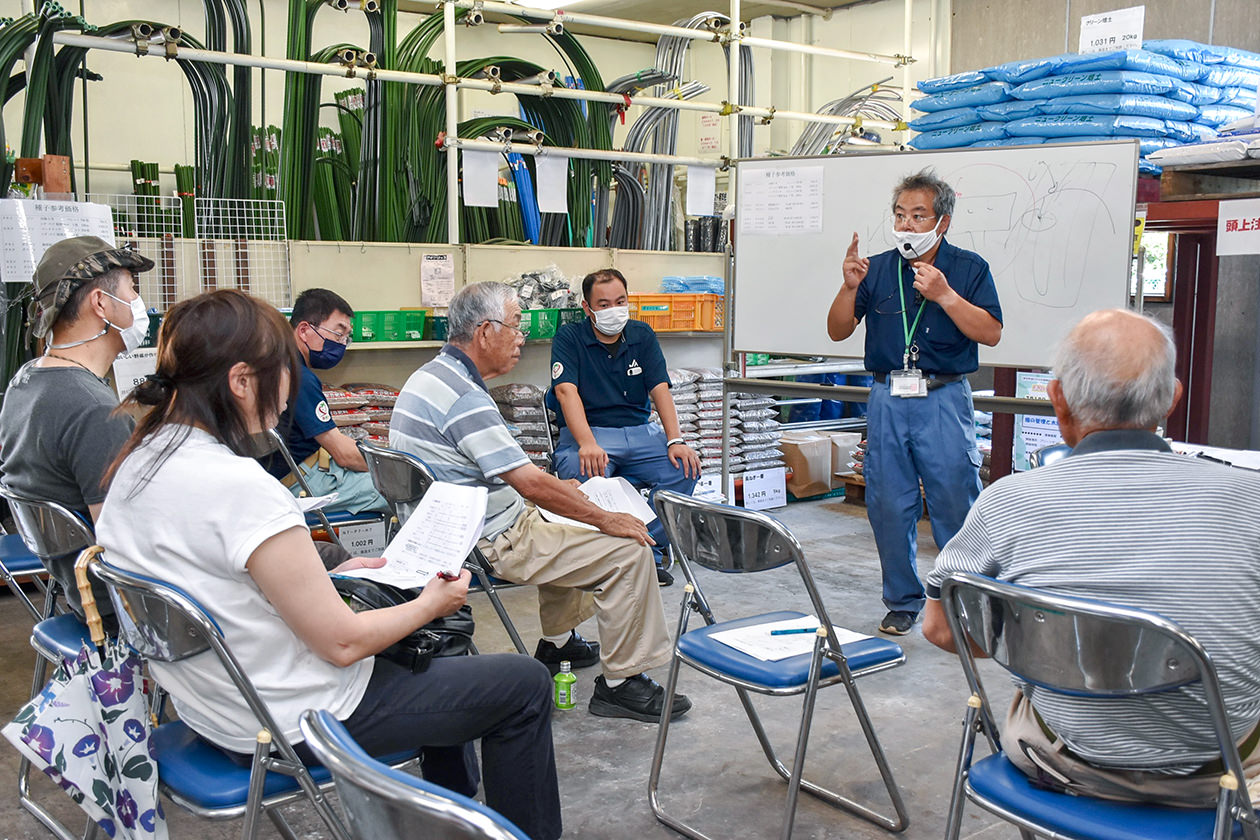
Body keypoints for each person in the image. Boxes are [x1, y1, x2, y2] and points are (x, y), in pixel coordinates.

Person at [96, 290, 561, 839]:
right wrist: (433, 601)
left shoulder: (136, 461)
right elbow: (342, 644)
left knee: (427, 643)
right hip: (290, 717)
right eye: (284, 371)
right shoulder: (240, 486)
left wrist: (331, 575)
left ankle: (447, 810)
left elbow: (220, 579)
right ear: (242, 381)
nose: (290, 388)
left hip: (208, 702)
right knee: (522, 682)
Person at [922, 309, 1260, 806]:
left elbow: (940, 627)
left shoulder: (1007, 503)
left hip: (1065, 764)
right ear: (1172, 399)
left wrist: (1050, 646)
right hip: (1224, 776)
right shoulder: (1251, 499)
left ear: (1057, 400)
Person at [390, 281, 692, 723]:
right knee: (630, 548)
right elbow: (528, 483)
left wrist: (564, 496)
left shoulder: (430, 376)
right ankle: (622, 684)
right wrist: (606, 518)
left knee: (567, 512)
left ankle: (557, 642)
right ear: (484, 332)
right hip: (490, 537)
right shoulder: (466, 398)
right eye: (515, 326)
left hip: (459, 521)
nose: (522, 338)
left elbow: (518, 479)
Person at [826, 169, 1002, 636]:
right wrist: (847, 287)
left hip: (943, 397)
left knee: (954, 502)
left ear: (941, 222)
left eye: (918, 216)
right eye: (900, 215)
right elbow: (838, 330)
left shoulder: (968, 268)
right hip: (887, 397)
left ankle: (962, 602)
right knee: (888, 503)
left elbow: (990, 332)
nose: (906, 225)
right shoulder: (877, 268)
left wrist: (945, 296)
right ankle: (903, 600)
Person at [0, 235, 155, 621]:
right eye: (131, 290)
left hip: (72, 587)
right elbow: (124, 547)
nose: (138, 303)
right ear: (101, 303)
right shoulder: (94, 409)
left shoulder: (25, 382)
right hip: (125, 609)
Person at [549, 268, 702, 587]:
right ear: (586, 307)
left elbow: (660, 387)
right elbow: (566, 391)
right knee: (581, 480)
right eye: (603, 304)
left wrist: (676, 440)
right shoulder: (570, 337)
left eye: (620, 301)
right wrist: (587, 442)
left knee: (685, 468)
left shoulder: (642, 335)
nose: (613, 310)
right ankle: (605, 556)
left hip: (639, 431)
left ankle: (647, 547)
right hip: (590, 433)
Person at [258, 288, 389, 514]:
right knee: (404, 493)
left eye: (347, 337)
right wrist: (399, 468)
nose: (342, 344)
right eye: (338, 334)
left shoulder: (273, 364)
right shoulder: (298, 377)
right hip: (299, 482)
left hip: (279, 477)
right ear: (304, 330)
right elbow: (344, 454)